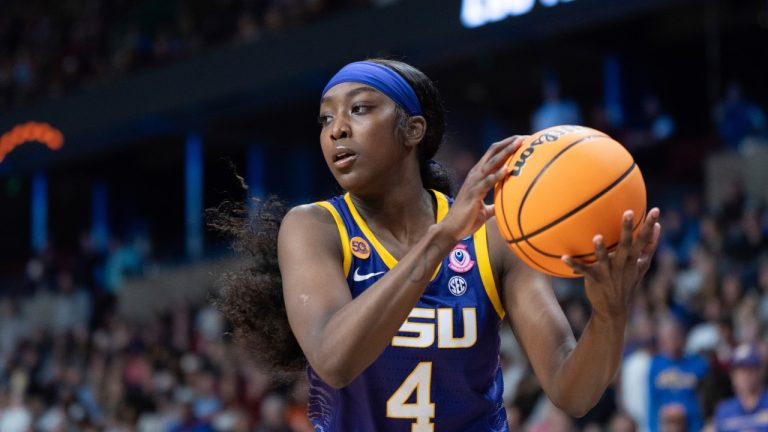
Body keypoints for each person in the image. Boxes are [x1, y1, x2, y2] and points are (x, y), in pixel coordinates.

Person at [212, 59, 661, 431]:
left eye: (360, 109)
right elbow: (334, 358)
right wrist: (440, 239)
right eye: (326, 118)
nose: (337, 130)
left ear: (413, 131)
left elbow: (572, 392)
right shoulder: (315, 227)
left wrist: (609, 315)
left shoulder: (495, 233)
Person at [647, 317, 709, 432]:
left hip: (693, 425)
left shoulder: (699, 364)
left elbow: (706, 400)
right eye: (667, 338)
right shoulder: (655, 365)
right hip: (664, 426)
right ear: (661, 341)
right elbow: (652, 402)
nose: (671, 341)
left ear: (683, 338)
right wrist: (654, 429)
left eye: (675, 336)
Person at [713, 343, 768, 431]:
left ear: (759, 372)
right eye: (739, 371)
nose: (744, 376)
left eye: (749, 370)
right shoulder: (725, 410)